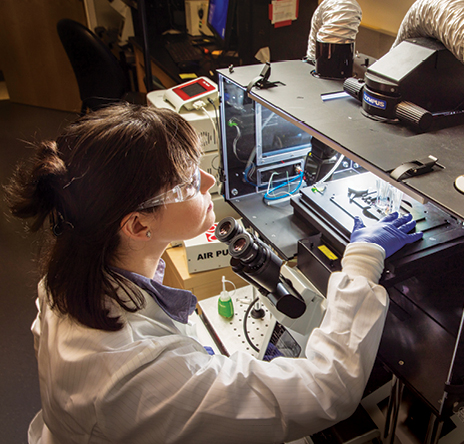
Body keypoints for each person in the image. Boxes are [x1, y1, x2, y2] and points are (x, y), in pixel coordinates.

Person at [5, 103, 422, 444]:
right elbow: (328, 389)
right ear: (136, 225)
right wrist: (362, 261)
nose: (207, 179)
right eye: (187, 182)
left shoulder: (67, 277)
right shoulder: (142, 374)